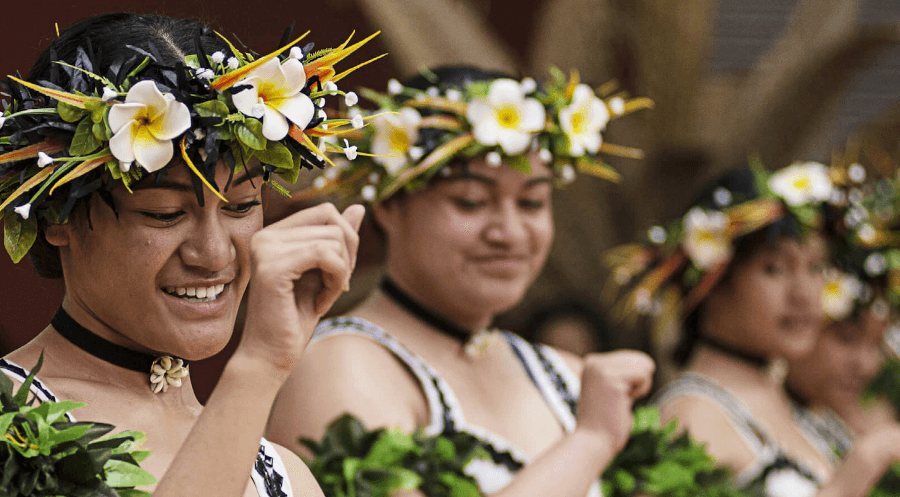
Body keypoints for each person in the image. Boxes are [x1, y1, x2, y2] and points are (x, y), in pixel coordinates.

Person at [0, 13, 376, 496]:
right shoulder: (13, 424)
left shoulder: (285, 475)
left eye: (242, 207)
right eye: (163, 214)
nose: (214, 253)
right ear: (57, 218)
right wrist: (258, 368)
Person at [266, 66, 655, 496]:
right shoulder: (337, 366)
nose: (507, 233)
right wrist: (591, 441)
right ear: (389, 206)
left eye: (531, 202)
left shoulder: (567, 376)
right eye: (470, 202)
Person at [607, 164, 900, 496]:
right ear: (711, 282)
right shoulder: (689, 418)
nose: (804, 293)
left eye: (816, 267)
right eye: (775, 269)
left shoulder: (802, 412)